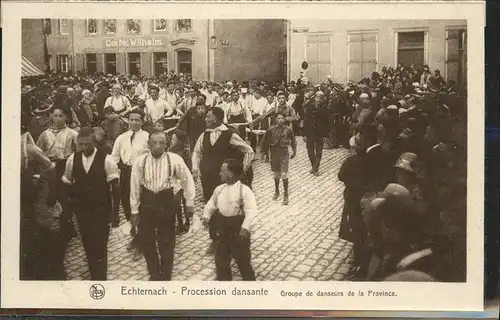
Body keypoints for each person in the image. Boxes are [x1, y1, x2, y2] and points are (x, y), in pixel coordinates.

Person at [130, 130, 195, 280]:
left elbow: (187, 180)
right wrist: (134, 210)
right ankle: (154, 274)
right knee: (147, 240)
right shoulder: (140, 161)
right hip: (147, 203)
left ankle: (166, 276)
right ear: (148, 144)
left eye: (161, 143)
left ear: (166, 144)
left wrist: (189, 203)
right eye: (154, 143)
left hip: (166, 202)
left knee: (166, 241)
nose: (157, 146)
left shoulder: (174, 159)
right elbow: (134, 187)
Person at [192, 107, 254, 254]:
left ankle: (235, 240)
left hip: (226, 180)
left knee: (231, 209)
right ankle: (215, 240)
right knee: (212, 209)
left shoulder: (229, 134)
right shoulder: (204, 134)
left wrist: (241, 171)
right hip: (208, 179)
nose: (205, 119)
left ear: (216, 119)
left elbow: (248, 150)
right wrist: (195, 168)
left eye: (208, 116)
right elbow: (196, 151)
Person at [61, 127, 121, 280]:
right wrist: (70, 205)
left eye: (87, 144)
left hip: (101, 211)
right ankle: (94, 273)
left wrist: (115, 214)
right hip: (82, 212)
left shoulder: (106, 159)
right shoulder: (72, 159)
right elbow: (66, 183)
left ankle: (100, 277)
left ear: (94, 142)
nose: (83, 147)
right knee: (87, 243)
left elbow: (115, 187)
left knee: (100, 245)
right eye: (80, 144)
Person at [21, 119, 64, 280]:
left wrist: (43, 183)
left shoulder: (30, 149)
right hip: (27, 195)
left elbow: (50, 168)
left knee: (44, 230)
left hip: (36, 193)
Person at [201, 158, 257, 281]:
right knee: (221, 263)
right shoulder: (219, 189)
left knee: (243, 262)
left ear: (230, 174)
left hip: (238, 230)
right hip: (222, 229)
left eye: (222, 171)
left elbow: (251, 211)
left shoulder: (244, 191)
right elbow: (211, 204)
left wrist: (245, 228)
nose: (219, 173)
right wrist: (206, 216)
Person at [110, 109, 149, 260]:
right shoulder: (121, 138)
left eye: (137, 120)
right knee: (127, 205)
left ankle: (141, 243)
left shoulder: (147, 137)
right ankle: (135, 235)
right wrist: (115, 175)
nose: (133, 122)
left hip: (141, 173)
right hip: (125, 173)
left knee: (140, 206)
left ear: (142, 122)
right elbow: (114, 157)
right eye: (131, 119)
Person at [36, 106, 78, 245]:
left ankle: (66, 229)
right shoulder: (44, 134)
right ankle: (67, 225)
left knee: (65, 197)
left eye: (61, 116)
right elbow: (38, 151)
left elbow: (78, 153)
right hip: (50, 169)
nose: (58, 119)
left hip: (65, 166)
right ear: (51, 117)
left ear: (66, 117)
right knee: (52, 198)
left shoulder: (72, 133)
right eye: (55, 116)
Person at [261, 113, 297, 205]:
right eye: (279, 118)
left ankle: (286, 194)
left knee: (284, 174)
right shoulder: (271, 129)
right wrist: (265, 153)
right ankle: (277, 191)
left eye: (282, 118)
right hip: (274, 153)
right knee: (276, 174)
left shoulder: (288, 129)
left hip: (284, 153)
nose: (281, 120)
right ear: (275, 119)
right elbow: (265, 141)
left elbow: (293, 141)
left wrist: (294, 151)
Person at [303, 91, 330, 176]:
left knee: (319, 151)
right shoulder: (309, 107)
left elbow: (328, 123)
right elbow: (306, 120)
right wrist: (304, 134)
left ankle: (316, 167)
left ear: (323, 99)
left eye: (321, 98)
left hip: (320, 133)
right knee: (309, 149)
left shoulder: (325, 109)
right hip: (310, 132)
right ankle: (313, 164)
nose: (318, 99)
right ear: (314, 98)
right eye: (317, 97)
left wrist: (326, 135)